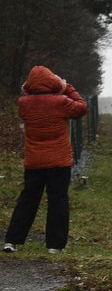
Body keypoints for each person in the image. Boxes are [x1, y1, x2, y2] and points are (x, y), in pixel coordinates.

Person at [3, 65, 88, 254]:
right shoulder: (61, 102)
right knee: (57, 200)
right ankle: (55, 245)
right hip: (59, 161)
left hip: (34, 161)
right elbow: (81, 108)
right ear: (52, 82)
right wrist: (66, 86)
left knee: (28, 199)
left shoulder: (23, 103)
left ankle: (12, 240)